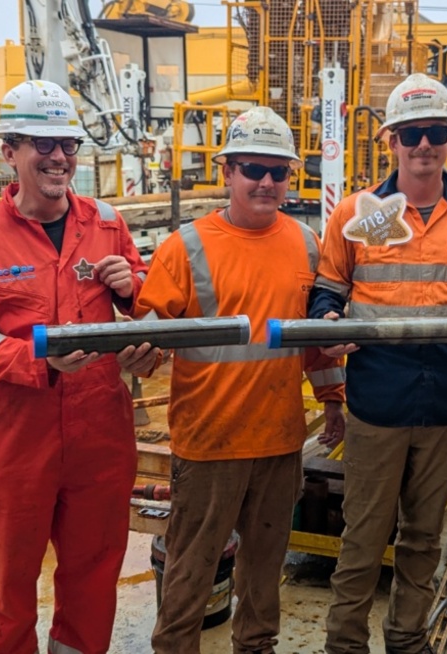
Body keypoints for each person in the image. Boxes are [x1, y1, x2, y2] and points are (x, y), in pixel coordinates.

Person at [0, 80, 159, 654]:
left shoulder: (106, 221)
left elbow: (147, 303)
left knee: (94, 573)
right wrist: (39, 358)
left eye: (68, 145)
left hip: (99, 434)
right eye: (42, 143)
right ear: (9, 152)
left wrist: (132, 290)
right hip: (14, 438)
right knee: (11, 586)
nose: (59, 157)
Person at [310, 73, 447, 654]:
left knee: (424, 535)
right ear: (391, 140)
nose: (425, 145)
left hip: (446, 393)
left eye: (437, 132)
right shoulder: (360, 213)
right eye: (412, 133)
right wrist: (326, 317)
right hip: (379, 395)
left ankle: (407, 637)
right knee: (364, 534)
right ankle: (345, 644)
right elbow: (329, 285)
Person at [140, 106, 346, 654]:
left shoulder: (305, 243)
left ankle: (256, 647)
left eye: (279, 171)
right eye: (254, 168)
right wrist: (135, 353)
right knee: (190, 570)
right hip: (209, 444)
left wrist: (331, 398)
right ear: (227, 171)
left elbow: (311, 342)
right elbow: (147, 335)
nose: (267, 182)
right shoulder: (186, 247)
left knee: (264, 569)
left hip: (279, 444)